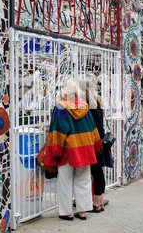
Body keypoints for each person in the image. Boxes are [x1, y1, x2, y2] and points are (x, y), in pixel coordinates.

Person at [44, 81, 102, 221]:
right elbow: (92, 128)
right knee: (83, 180)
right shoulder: (84, 107)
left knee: (65, 181)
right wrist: (96, 144)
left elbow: (58, 131)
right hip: (85, 149)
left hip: (67, 151)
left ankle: (67, 212)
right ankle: (82, 211)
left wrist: (55, 150)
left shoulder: (61, 108)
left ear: (64, 94)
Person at [79, 80, 113, 213]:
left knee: (95, 172)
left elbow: (96, 125)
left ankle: (96, 203)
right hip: (99, 140)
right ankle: (99, 203)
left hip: (94, 142)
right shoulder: (97, 102)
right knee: (98, 172)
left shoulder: (89, 105)